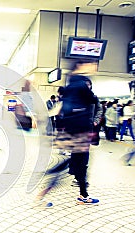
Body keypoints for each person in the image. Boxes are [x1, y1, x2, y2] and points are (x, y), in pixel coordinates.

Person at [53, 60, 99, 205]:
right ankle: (82, 195)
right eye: (90, 64)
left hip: (73, 129)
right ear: (81, 66)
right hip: (81, 131)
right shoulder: (81, 84)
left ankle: (83, 194)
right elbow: (93, 99)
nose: (93, 67)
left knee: (78, 162)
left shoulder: (70, 85)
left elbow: (65, 110)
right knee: (79, 162)